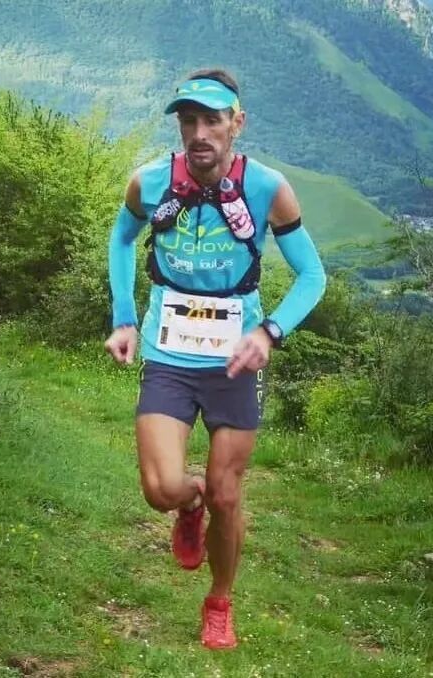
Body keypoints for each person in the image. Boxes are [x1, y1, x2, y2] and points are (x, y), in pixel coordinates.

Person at [104, 68, 326, 650]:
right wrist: (124, 317)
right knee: (160, 488)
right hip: (168, 354)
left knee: (230, 495)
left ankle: (219, 601)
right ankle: (189, 500)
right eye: (188, 121)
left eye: (212, 120)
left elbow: (312, 275)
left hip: (235, 362)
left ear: (236, 123)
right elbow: (121, 239)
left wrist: (270, 333)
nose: (199, 133)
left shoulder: (268, 188)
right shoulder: (150, 182)